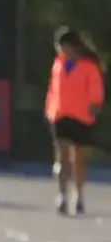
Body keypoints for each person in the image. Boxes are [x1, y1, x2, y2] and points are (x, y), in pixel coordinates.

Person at [45, 26, 104, 216]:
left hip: (82, 116)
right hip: (61, 115)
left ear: (73, 46)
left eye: (63, 46)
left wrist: (95, 106)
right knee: (63, 156)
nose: (61, 50)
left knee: (79, 159)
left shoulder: (89, 66)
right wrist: (49, 110)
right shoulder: (58, 64)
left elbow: (96, 90)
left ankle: (78, 195)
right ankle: (62, 195)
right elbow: (53, 90)